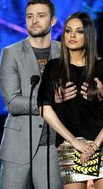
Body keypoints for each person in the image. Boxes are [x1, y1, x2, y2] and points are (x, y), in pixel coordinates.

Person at [0, 0, 78, 189]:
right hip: (18, 146)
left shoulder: (66, 52)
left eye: (40, 16)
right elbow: (13, 102)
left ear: (52, 20)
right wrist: (49, 100)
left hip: (55, 146)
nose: (34, 21)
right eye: (29, 16)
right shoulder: (11, 53)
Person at [37, 12, 103, 189]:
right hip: (70, 144)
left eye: (79, 31)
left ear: (88, 35)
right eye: (68, 30)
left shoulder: (101, 67)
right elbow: (44, 108)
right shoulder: (54, 67)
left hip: (101, 142)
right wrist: (74, 142)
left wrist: (96, 144)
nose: (72, 35)